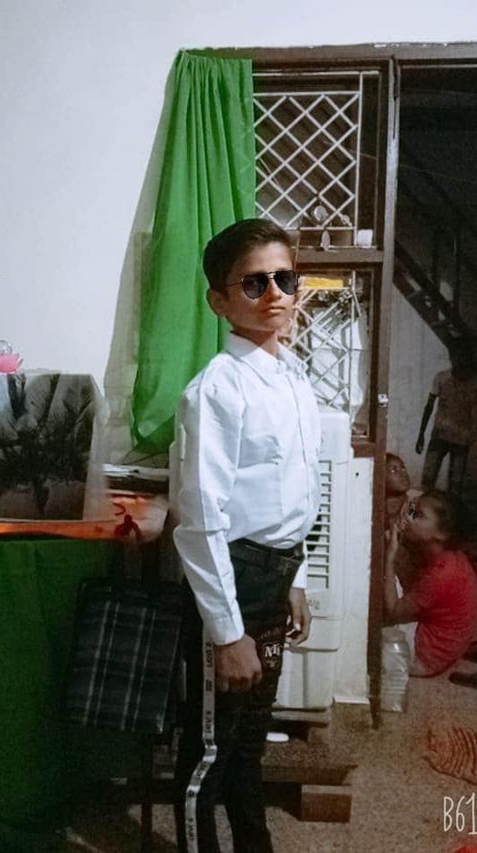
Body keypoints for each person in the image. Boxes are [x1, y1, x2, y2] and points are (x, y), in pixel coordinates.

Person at [171, 218, 321, 853]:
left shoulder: (292, 377)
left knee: (249, 738)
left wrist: (298, 577)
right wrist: (227, 634)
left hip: (274, 574)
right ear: (220, 301)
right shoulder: (216, 391)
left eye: (285, 278)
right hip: (231, 579)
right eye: (255, 283)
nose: (276, 294)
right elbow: (199, 520)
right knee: (211, 748)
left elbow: (295, 493)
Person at [384, 489, 477, 677]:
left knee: (381, 570)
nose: (409, 517)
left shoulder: (442, 574)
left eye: (418, 515)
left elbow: (394, 611)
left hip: (423, 658)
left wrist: (389, 556)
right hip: (437, 648)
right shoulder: (447, 555)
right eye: (412, 510)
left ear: (441, 534)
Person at [415, 340, 477, 497]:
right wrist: (421, 435)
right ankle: (423, 509)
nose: (458, 359)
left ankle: (450, 511)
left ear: (468, 357)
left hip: (462, 439)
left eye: (462, 356)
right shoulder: (442, 378)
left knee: (456, 484)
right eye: (455, 356)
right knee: (428, 478)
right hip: (439, 435)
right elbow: (429, 406)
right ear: (451, 357)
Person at [384, 452, 420, 591]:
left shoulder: (414, 503)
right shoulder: (374, 505)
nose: (403, 474)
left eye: (403, 468)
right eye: (394, 470)